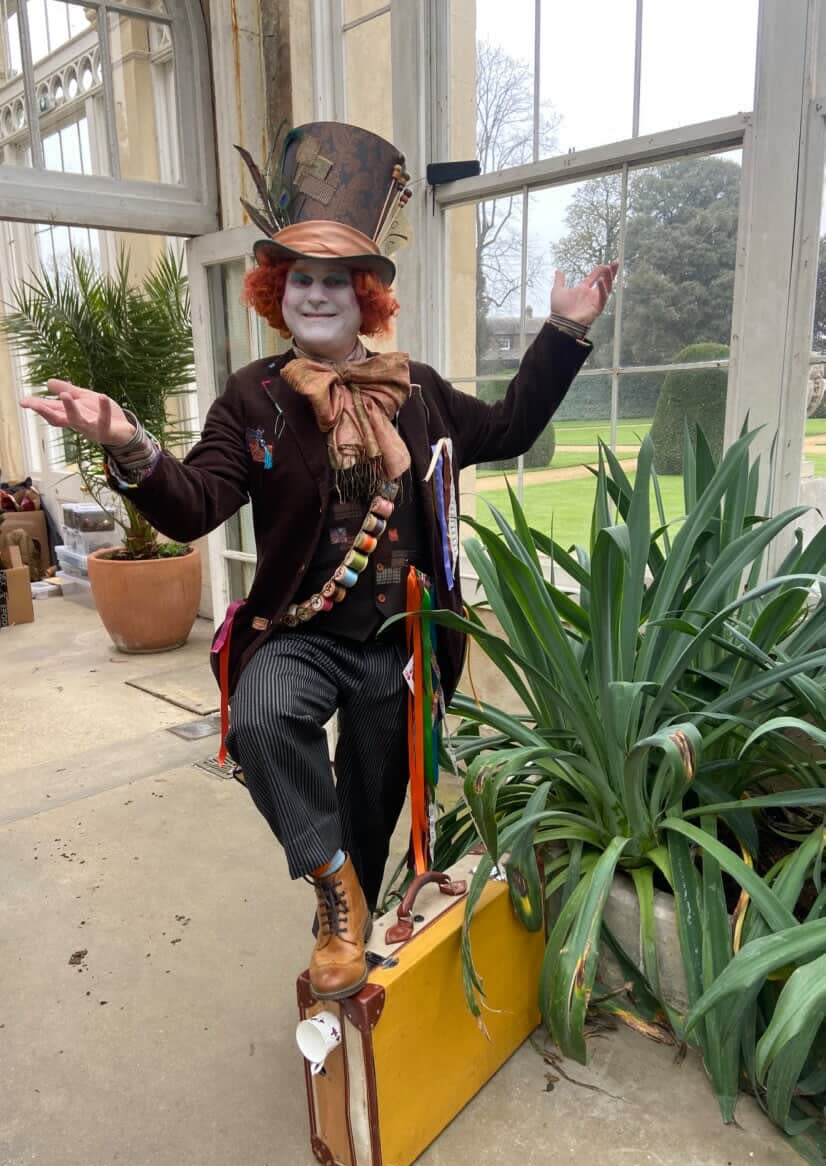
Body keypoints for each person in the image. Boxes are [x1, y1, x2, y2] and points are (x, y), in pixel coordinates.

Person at [21, 122, 616, 1004]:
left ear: (364, 295)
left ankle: (351, 927)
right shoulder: (252, 396)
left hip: (398, 643)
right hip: (300, 630)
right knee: (262, 721)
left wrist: (564, 330)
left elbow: (510, 427)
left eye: (337, 279)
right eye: (301, 277)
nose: (317, 293)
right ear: (278, 292)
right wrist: (129, 443)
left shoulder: (416, 388)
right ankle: (331, 881)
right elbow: (196, 504)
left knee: (373, 800)